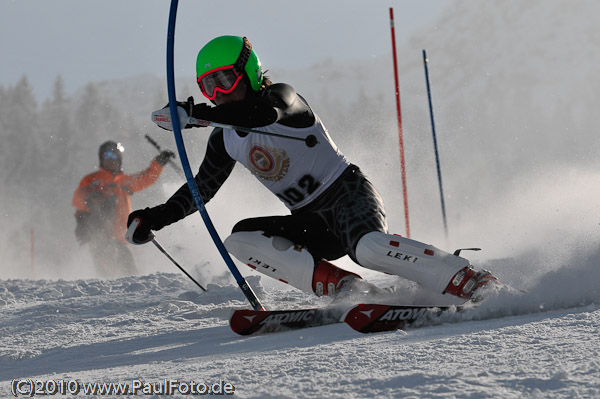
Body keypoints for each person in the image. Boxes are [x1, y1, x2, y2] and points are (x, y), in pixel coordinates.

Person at [127, 35, 497, 300]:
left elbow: (260, 114)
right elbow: (200, 190)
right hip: (312, 220)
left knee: (366, 248)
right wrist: (151, 218)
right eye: (210, 85)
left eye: (226, 79)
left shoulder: (282, 98)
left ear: (249, 71)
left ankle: (464, 277)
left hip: (348, 195)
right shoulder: (224, 138)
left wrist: (195, 114)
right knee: (240, 239)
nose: (220, 92)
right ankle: (346, 289)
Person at [73, 140, 174, 277]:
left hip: (121, 236)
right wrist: (86, 213)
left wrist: (159, 162)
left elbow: (146, 178)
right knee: (106, 274)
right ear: (101, 159)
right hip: (100, 237)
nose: (111, 160)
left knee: (130, 273)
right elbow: (78, 200)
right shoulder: (92, 180)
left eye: (115, 156)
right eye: (107, 156)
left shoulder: (123, 181)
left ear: (120, 159)